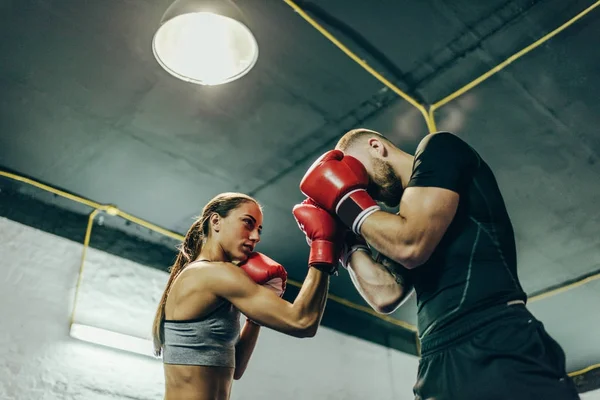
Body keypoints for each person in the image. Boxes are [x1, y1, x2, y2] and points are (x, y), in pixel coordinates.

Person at [298, 129, 580, 400]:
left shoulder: (439, 149)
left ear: (376, 146)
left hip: (495, 337)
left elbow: (411, 245)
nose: (363, 189)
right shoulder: (401, 220)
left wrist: (344, 201)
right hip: (435, 359)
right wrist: (346, 240)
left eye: (359, 176)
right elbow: (385, 295)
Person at [152, 192, 340, 400]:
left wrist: (255, 319)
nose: (255, 237)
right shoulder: (210, 273)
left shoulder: (216, 280)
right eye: (248, 224)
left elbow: (236, 368)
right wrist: (323, 248)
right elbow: (303, 322)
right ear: (216, 221)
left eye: (259, 230)